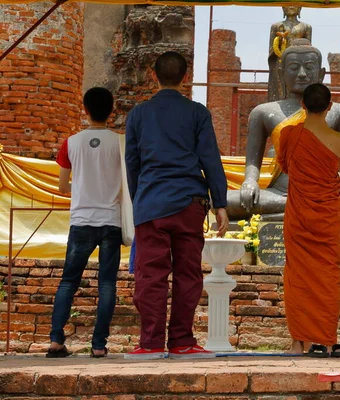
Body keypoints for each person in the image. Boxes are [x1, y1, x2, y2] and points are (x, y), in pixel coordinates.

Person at [125, 51, 229, 360]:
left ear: (153, 75)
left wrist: (140, 197)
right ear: (186, 78)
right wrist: (219, 203)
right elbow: (210, 158)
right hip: (188, 202)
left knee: (150, 275)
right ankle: (182, 340)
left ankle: (151, 343)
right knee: (188, 274)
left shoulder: (139, 114)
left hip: (151, 202)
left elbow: (132, 163)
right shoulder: (197, 113)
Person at [226, 39, 340, 222]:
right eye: (294, 67)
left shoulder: (339, 112)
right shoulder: (263, 112)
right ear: (280, 74)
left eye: (309, 67)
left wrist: (324, 188)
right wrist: (250, 182)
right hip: (281, 193)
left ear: (321, 74)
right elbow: (252, 163)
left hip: (325, 192)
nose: (302, 74)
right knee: (226, 201)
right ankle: (298, 209)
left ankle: (284, 213)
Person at [48, 87, 122, 358]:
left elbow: (62, 186)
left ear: (85, 109)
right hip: (111, 221)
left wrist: (82, 186)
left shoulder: (72, 142)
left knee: (68, 281)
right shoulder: (120, 143)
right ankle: (99, 345)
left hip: (81, 220)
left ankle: (56, 341)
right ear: (111, 110)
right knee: (107, 284)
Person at [279, 83, 340, 356]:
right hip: (327, 216)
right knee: (327, 276)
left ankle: (298, 342)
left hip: (298, 214)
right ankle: (327, 341)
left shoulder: (289, 134)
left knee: (296, 275)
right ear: (330, 106)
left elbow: (285, 166)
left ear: (303, 106)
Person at [268, 6, 312, 101]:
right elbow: (271, 48)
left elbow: (309, 49)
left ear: (300, 8)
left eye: (294, 3)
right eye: (288, 3)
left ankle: (299, 102)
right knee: (280, 84)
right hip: (280, 60)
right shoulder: (276, 26)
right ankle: (280, 100)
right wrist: (280, 42)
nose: (291, 6)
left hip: (299, 61)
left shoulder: (306, 27)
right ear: (283, 8)